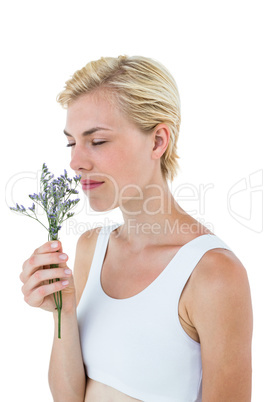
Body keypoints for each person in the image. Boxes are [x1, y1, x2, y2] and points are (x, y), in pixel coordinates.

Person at [20, 55, 253, 402]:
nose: (75, 162)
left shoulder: (212, 274)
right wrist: (63, 312)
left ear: (158, 141)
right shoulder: (90, 248)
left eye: (96, 141)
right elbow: (69, 398)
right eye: (71, 143)